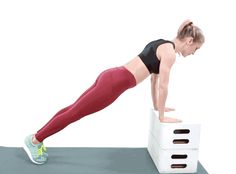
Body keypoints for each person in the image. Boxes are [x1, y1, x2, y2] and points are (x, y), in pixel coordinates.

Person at [23, 20, 205, 164]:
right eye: (195, 48)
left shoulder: (162, 44)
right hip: (114, 85)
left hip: (111, 75)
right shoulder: (170, 54)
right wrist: (163, 116)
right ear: (189, 41)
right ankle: (35, 140)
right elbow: (163, 86)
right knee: (74, 113)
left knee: (73, 109)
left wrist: (158, 106)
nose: (193, 53)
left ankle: (37, 137)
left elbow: (154, 80)